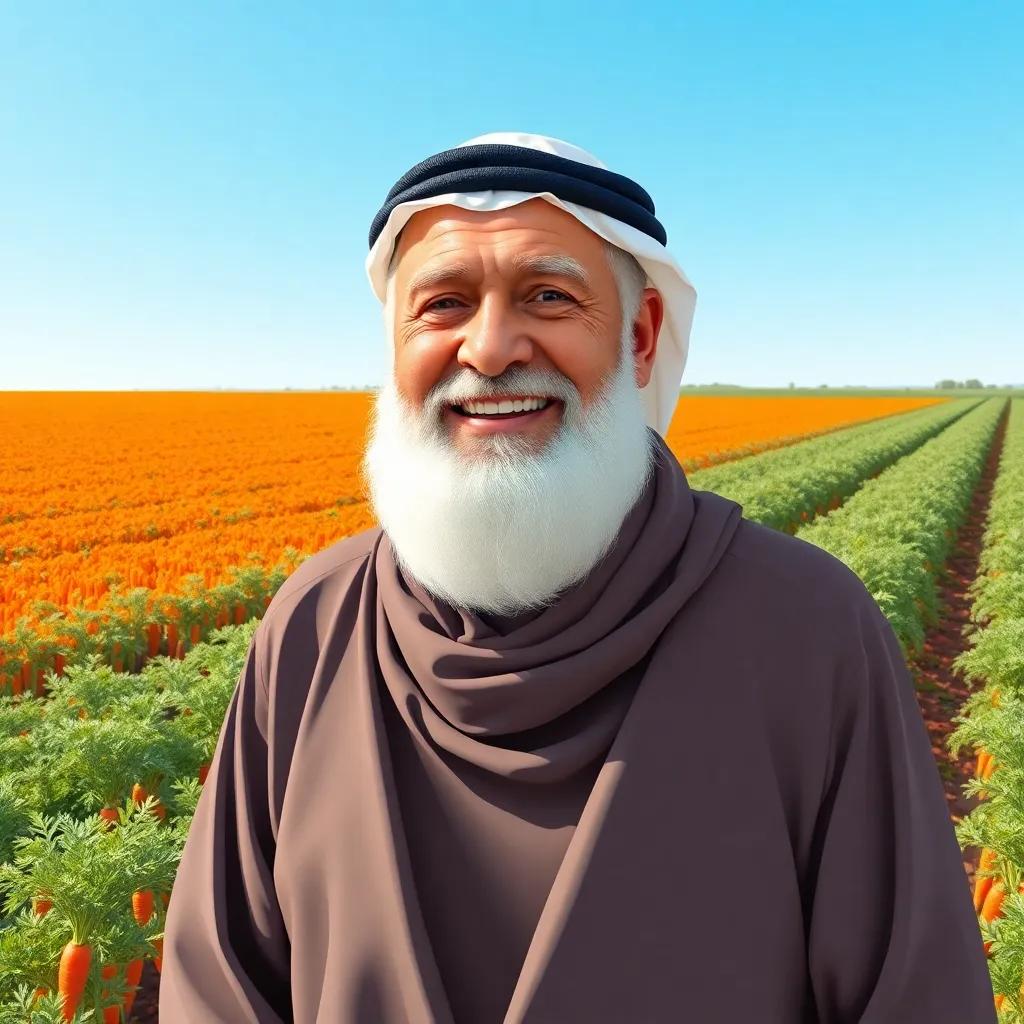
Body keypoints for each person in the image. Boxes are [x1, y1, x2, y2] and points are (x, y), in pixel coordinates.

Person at [158, 132, 996, 1023]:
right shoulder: (313, 622)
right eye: (441, 305)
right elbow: (222, 978)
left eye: (548, 296)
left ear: (638, 339)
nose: (488, 348)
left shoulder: (803, 627)